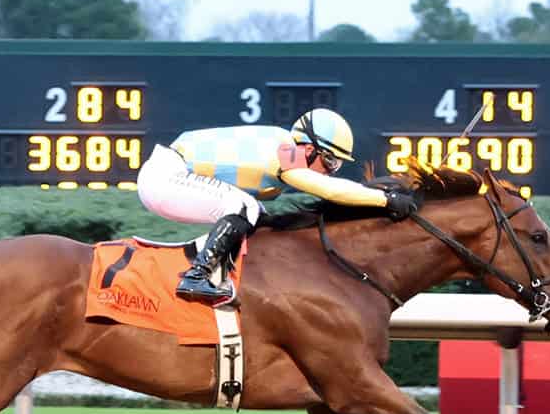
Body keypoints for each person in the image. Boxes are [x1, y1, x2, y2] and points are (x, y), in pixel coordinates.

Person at [136, 108, 420, 304]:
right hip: (165, 177)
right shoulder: (287, 151)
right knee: (244, 205)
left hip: (169, 175)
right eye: (331, 162)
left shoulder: (286, 143)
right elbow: (329, 190)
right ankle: (196, 277)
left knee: (258, 214)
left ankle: (229, 275)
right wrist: (386, 199)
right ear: (310, 149)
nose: (331, 171)